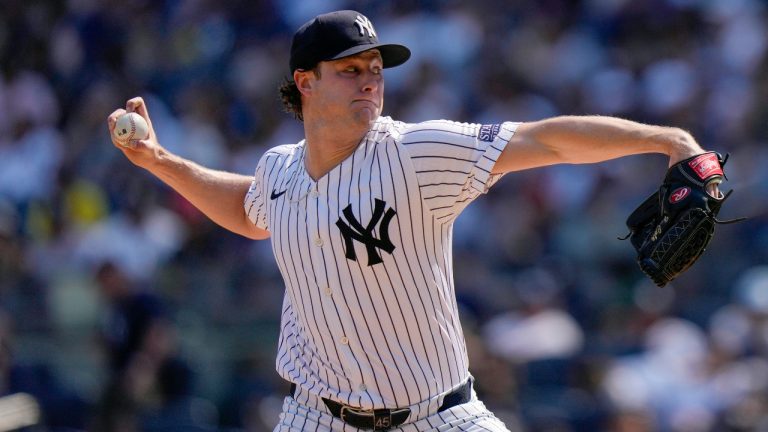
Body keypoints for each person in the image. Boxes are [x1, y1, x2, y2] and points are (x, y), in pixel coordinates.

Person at [107, 10, 718, 432]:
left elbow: (546, 142)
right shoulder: (280, 171)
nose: (371, 81)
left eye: (376, 68)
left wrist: (667, 141)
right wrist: (158, 161)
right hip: (317, 415)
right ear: (305, 82)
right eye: (351, 69)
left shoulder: (414, 153)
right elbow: (246, 209)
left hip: (437, 413)